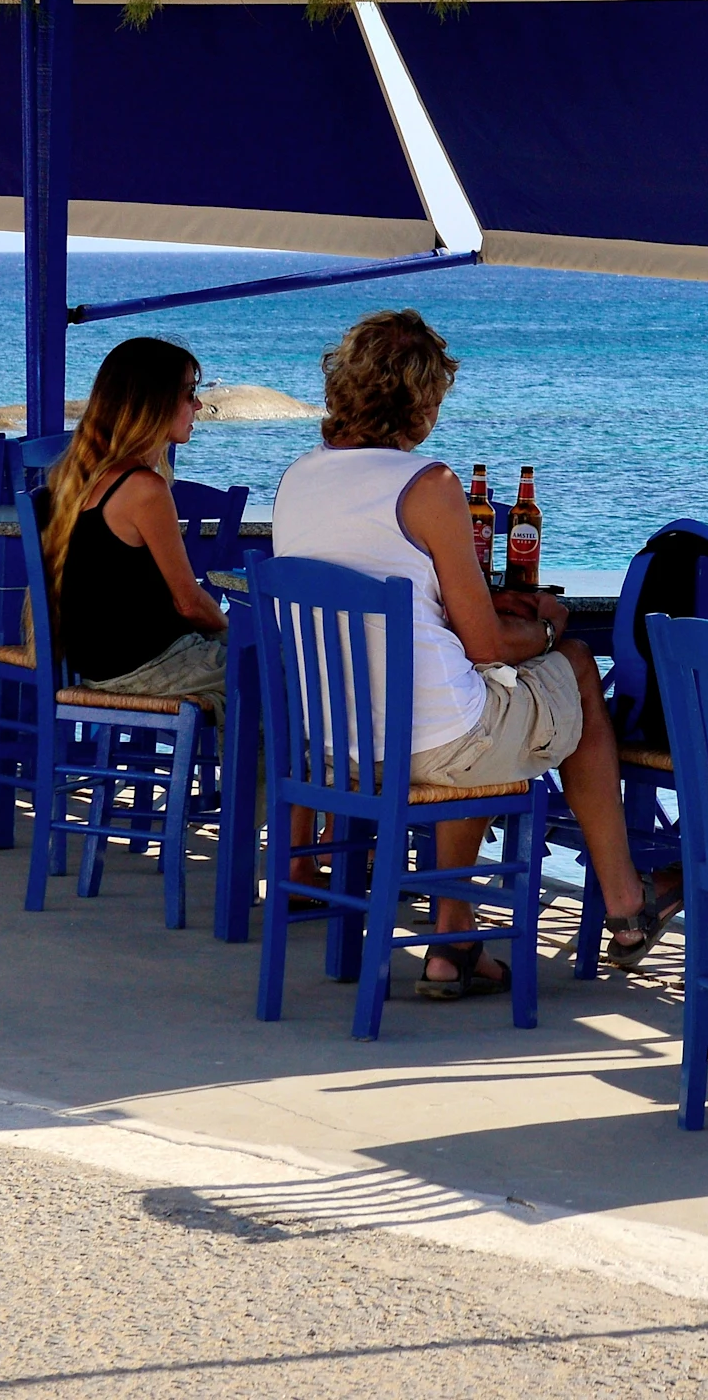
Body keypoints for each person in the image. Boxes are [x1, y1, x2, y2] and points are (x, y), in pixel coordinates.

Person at [270, 309, 671, 1001]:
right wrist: (547, 629)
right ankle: (626, 901)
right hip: (435, 747)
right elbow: (484, 643)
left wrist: (483, 614)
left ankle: (454, 937)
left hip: (341, 747)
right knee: (571, 667)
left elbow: (425, 608)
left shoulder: (298, 478)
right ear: (423, 399)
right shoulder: (429, 485)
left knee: (469, 704)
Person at [43, 337, 229, 710]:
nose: (197, 405)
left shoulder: (81, 480)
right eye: (189, 393)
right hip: (147, 665)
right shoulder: (143, 488)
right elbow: (189, 603)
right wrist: (232, 630)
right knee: (286, 670)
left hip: (99, 662)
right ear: (153, 403)